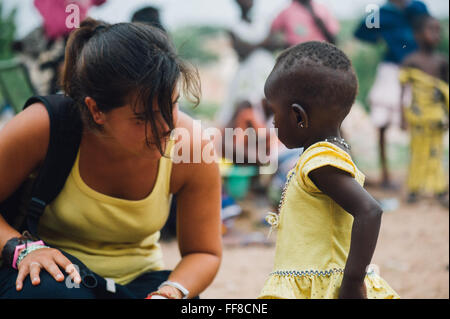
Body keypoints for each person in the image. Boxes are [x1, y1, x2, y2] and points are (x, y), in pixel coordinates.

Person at [0, 19, 222, 299]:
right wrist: (22, 249)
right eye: (144, 117)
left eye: (173, 105)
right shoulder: (44, 126)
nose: (167, 126)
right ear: (96, 110)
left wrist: (170, 292)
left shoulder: (191, 147)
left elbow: (204, 252)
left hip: (139, 283)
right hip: (58, 277)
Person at [258, 41, 399, 299]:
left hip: (324, 289)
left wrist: (353, 282)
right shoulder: (331, 152)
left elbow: (370, 210)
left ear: (298, 117)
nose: (273, 122)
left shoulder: (320, 160)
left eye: (274, 113)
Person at [354, 0, 429, 190]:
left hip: (417, 69)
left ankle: (418, 174)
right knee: (383, 121)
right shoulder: (382, 12)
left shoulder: (417, 8)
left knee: (419, 119)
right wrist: (381, 36)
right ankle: (386, 174)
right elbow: (362, 32)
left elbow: (429, 27)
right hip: (391, 69)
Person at [399, 14, 449, 206]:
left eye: (438, 30)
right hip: (418, 118)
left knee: (436, 152)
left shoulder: (442, 62)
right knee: (417, 151)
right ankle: (414, 188)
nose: (436, 34)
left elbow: (446, 92)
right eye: (431, 30)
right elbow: (403, 94)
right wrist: (402, 117)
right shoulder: (411, 61)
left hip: (436, 117)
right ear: (417, 35)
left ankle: (439, 190)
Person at [270, 0, 339, 47]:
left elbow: (334, 37)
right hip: (297, 56)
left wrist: (322, 26)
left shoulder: (322, 9)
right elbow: (273, 32)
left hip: (321, 53)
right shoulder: (286, 12)